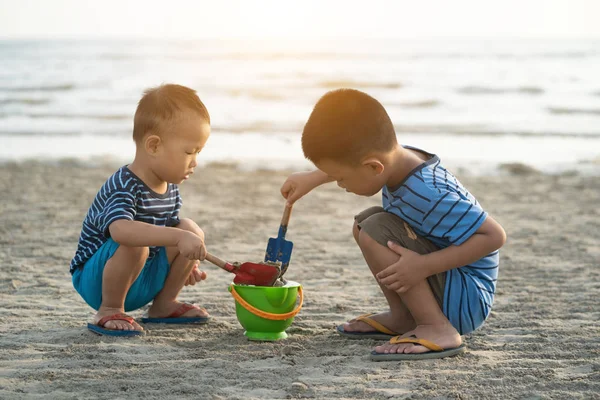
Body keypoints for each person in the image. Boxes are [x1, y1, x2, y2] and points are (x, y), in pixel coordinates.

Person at [280, 89, 506, 360]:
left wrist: (423, 266)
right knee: (365, 224)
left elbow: (494, 236)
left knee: (376, 230)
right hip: (448, 284)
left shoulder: (427, 193)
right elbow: (358, 160)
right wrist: (314, 177)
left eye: (341, 178)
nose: (340, 185)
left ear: (375, 168)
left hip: (466, 298)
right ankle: (404, 318)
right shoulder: (397, 160)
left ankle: (437, 328)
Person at [70, 84, 211, 336]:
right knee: (138, 241)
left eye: (198, 152)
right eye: (189, 151)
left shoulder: (169, 188)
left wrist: (185, 262)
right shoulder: (124, 184)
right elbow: (122, 231)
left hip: (142, 277)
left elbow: (169, 234)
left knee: (189, 228)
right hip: (99, 282)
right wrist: (178, 238)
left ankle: (163, 305)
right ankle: (108, 309)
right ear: (154, 146)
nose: (195, 162)